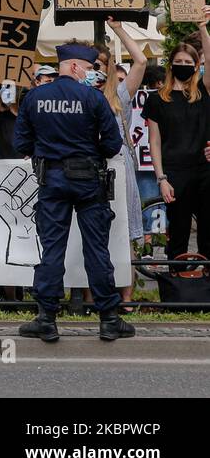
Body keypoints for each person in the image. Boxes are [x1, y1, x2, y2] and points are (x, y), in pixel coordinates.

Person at [14, 42, 131, 342]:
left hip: (51, 179)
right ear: (76, 67)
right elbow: (112, 143)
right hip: (89, 180)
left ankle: (46, 318)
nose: (92, 74)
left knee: (52, 249)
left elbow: (21, 144)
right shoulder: (92, 98)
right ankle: (109, 319)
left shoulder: (35, 96)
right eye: (90, 68)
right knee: (96, 249)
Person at [145, 22, 210, 266]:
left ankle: (205, 285)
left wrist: (203, 28)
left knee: (208, 231)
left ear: (197, 66)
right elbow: (155, 142)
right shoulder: (156, 100)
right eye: (179, 62)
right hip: (174, 173)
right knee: (179, 232)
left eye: (188, 63)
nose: (183, 66)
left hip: (204, 170)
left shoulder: (204, 92)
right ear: (170, 63)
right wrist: (161, 178)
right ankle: (178, 285)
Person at [95, 18, 147, 307]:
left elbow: (140, 61)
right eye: (93, 64)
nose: (98, 68)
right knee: (93, 232)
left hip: (118, 164)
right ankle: (92, 294)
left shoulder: (119, 95)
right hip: (90, 167)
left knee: (123, 231)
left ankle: (126, 296)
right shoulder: (78, 94)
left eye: (102, 63)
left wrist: (117, 30)